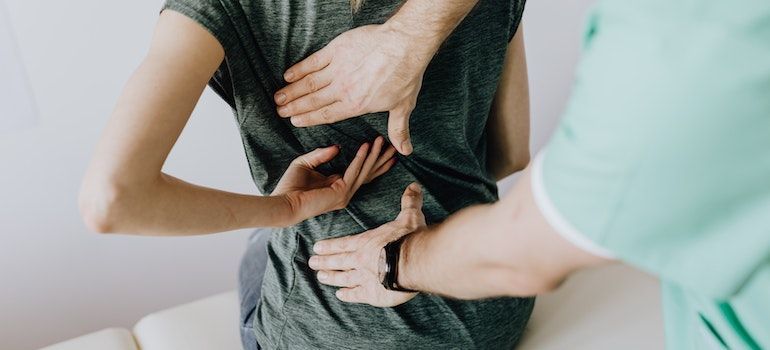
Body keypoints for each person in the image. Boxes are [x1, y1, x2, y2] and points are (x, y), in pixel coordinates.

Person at [305, 0, 770, 348]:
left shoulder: (680, 48)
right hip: (497, 315)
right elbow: (510, 156)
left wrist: (392, 262)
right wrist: (409, 37)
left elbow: (526, 251)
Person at [79, 0, 535, 349]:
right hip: (489, 306)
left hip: (340, 330)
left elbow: (114, 200)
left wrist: (285, 208)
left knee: (261, 244)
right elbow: (509, 156)